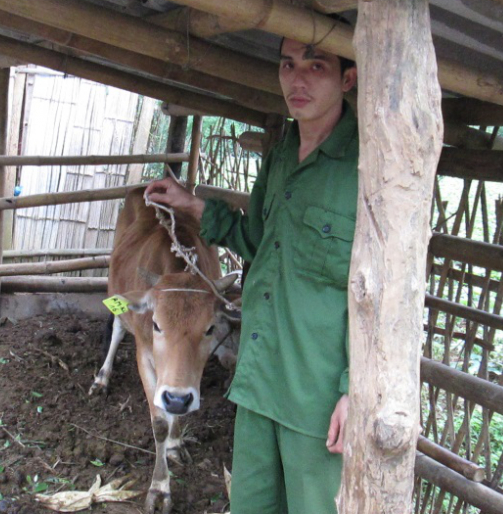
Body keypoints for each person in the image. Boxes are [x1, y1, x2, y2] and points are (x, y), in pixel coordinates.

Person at [145, 37, 358, 514]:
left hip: (318, 400)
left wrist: (355, 390)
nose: (296, 80)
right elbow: (257, 244)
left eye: (315, 65)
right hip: (260, 381)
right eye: (287, 64)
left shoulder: (367, 168)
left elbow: (386, 297)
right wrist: (190, 203)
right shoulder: (281, 157)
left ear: (348, 78)